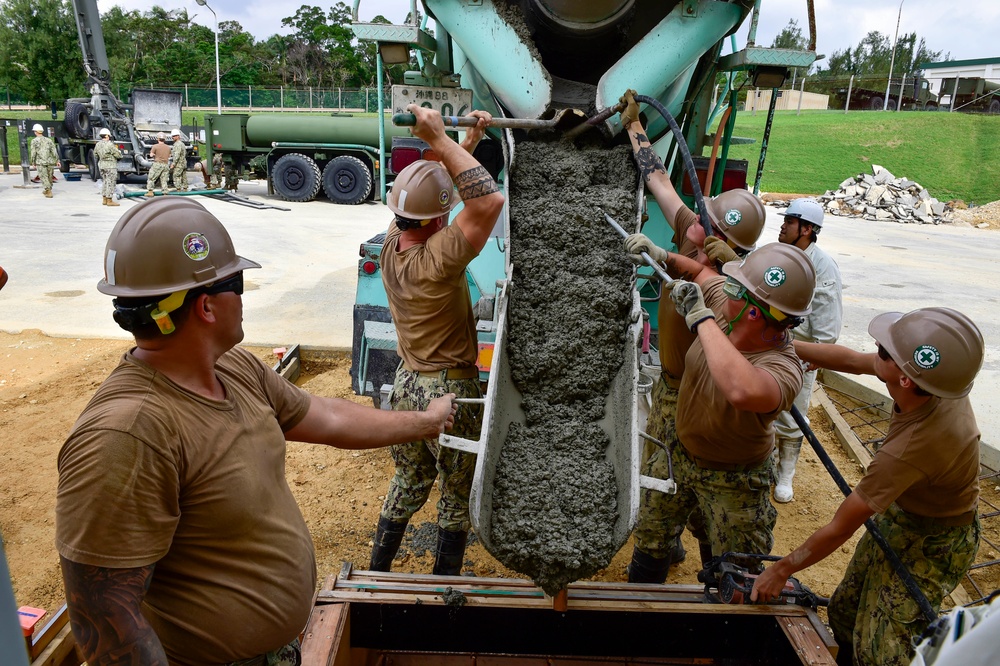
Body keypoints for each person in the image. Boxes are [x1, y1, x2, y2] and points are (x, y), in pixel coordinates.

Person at [55, 197, 459, 665]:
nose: (243, 298)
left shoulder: (233, 368)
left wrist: (425, 422)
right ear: (207, 306)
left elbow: (325, 417)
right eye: (238, 283)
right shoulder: (128, 434)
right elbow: (106, 619)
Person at [751, 307, 984, 666]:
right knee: (845, 612)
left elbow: (843, 523)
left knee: (883, 650)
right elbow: (855, 360)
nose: (875, 347)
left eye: (884, 350)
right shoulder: (936, 381)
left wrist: (781, 570)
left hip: (937, 541)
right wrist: (789, 347)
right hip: (904, 513)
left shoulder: (912, 448)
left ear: (904, 378)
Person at [618, 89, 768, 581]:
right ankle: (656, 562)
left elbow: (777, 338)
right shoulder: (692, 229)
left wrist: (728, 272)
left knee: (716, 520)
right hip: (670, 391)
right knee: (658, 503)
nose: (699, 242)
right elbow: (658, 179)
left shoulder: (744, 291)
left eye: (713, 240)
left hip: (710, 402)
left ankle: (714, 570)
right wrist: (635, 127)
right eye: (699, 231)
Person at [622, 236, 815, 575]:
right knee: (651, 536)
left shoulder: (782, 368)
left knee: (734, 566)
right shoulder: (728, 312)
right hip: (679, 456)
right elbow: (698, 271)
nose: (726, 289)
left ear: (753, 311)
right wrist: (660, 255)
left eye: (736, 288)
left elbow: (741, 389)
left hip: (734, 480)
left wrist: (702, 318)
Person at [370, 104, 504, 576]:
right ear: (436, 219)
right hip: (448, 393)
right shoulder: (439, 259)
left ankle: (377, 571)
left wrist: (463, 144)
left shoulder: (391, 243)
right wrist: (443, 140)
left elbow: (426, 200)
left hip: (405, 385)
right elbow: (487, 202)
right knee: (454, 492)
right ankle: (442, 588)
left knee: (408, 478)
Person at [772, 197, 843, 502]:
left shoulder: (823, 267)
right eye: (785, 220)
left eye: (789, 221)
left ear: (807, 229)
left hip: (799, 352)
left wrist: (819, 352)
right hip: (766, 343)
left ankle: (786, 473)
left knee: (792, 415)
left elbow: (828, 319)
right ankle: (764, 463)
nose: (783, 225)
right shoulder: (776, 254)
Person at [29, 124, 59, 199]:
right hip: (50, 161)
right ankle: (48, 189)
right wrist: (57, 160)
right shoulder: (49, 140)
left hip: (41, 162)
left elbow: (33, 152)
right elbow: (54, 151)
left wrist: (33, 161)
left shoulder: (34, 141)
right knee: (49, 176)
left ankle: (48, 191)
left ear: (36, 132)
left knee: (43, 176)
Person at [94, 128, 122, 206]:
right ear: (106, 136)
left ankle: (104, 199)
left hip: (101, 165)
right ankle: (109, 200)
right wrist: (120, 154)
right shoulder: (110, 144)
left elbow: (95, 155)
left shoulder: (97, 144)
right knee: (111, 182)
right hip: (110, 166)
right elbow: (117, 154)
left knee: (105, 181)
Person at [145, 132, 171, 197]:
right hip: (165, 165)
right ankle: (165, 192)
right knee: (164, 180)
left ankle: (150, 192)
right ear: (164, 139)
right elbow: (169, 155)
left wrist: (154, 155)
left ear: (158, 139)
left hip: (157, 164)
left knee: (151, 178)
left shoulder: (155, 146)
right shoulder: (168, 147)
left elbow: (151, 155)